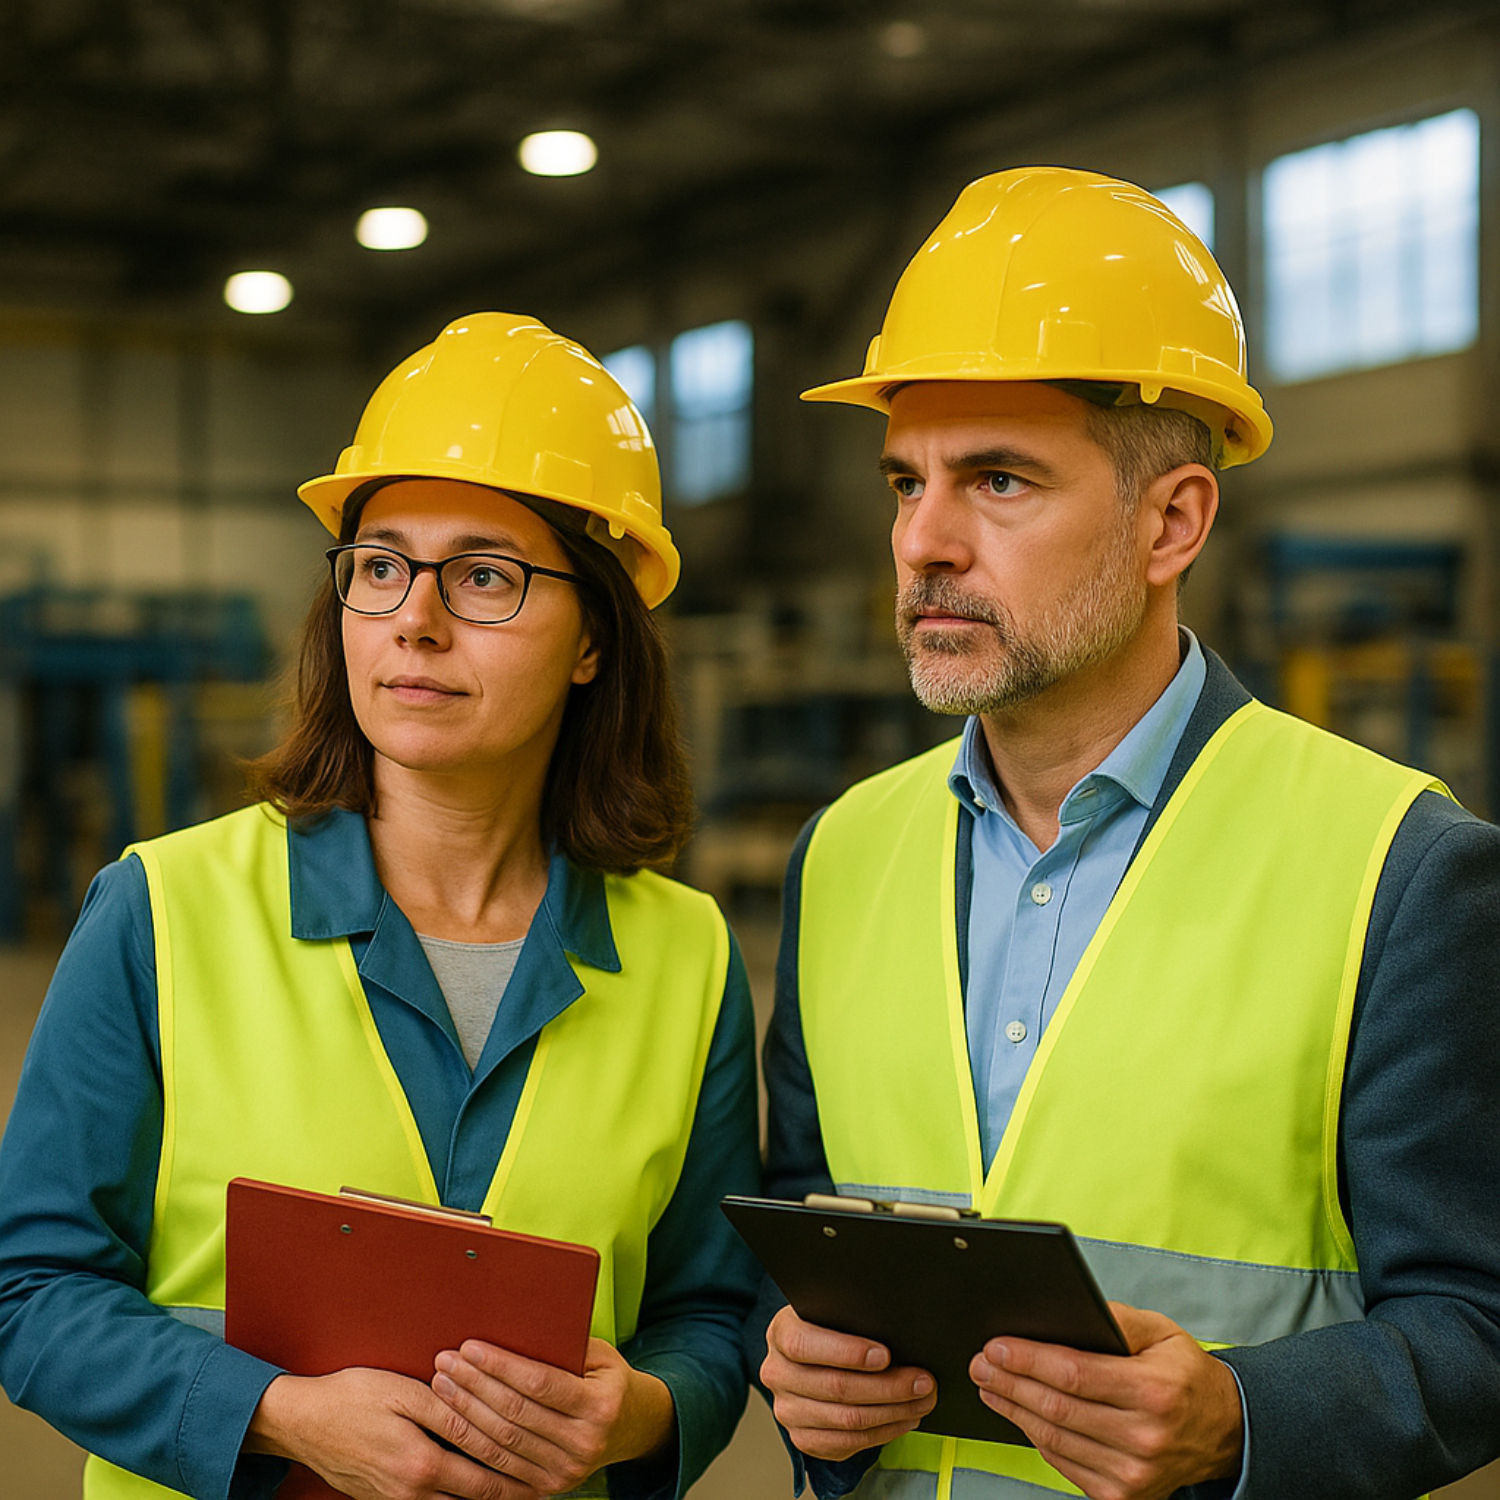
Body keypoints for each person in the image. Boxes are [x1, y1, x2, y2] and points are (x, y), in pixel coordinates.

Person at [754, 167, 1500, 1499]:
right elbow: (805, 1243)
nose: (923, 541)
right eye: (906, 481)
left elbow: (1477, 1324)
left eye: (997, 480)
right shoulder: (845, 853)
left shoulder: (1400, 868)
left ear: (1172, 522)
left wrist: (1243, 1419)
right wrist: (801, 1377)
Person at [0, 312, 760, 1500]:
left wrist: (642, 1415)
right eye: (381, 566)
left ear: (595, 641)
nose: (415, 617)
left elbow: (708, 1310)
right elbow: (32, 1291)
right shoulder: (163, 911)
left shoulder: (687, 954)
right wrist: (277, 1416)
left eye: (487, 576)